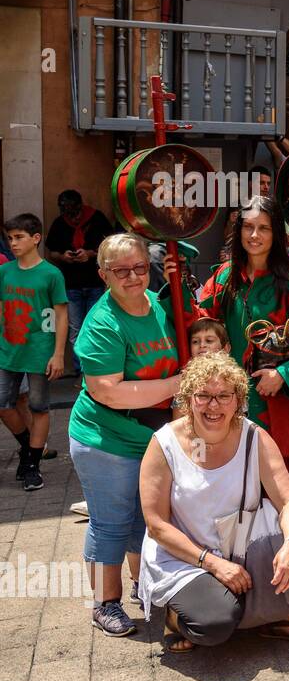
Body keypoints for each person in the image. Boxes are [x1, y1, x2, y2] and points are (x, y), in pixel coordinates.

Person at [138, 353, 289, 652]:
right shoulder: (164, 444)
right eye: (204, 396)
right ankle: (175, 615)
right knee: (215, 623)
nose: (214, 405)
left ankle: (271, 617)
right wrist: (213, 564)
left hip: (238, 542)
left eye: (224, 395)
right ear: (188, 398)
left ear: (238, 400)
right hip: (186, 555)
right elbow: (156, 525)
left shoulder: (254, 437)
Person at [70, 233, 184, 637]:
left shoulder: (156, 304)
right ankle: (105, 603)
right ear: (103, 275)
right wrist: (176, 385)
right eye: (121, 271)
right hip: (106, 439)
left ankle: (142, 586)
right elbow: (108, 391)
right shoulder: (103, 322)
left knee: (143, 518)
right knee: (111, 523)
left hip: (148, 437)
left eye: (140, 267)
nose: (133, 277)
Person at [198, 196, 289, 502]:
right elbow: (199, 325)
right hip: (229, 401)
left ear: (277, 234)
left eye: (263, 228)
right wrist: (175, 288)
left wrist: (285, 374)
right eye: (247, 227)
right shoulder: (223, 277)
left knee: (286, 501)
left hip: (282, 406)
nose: (254, 235)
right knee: (230, 500)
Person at [0, 213, 68, 490]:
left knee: (39, 407)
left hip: (40, 351)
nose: (13, 243)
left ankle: (32, 467)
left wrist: (59, 354)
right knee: (3, 405)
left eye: (19, 238)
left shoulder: (51, 274)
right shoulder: (4, 272)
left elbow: (62, 315)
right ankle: (30, 449)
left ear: (36, 239)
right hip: (7, 350)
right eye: (10, 238)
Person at [43, 189, 112, 376]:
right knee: (75, 330)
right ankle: (80, 371)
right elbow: (51, 252)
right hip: (71, 284)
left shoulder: (97, 218)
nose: (72, 218)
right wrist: (63, 256)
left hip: (94, 282)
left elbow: (111, 246)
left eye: (75, 213)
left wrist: (90, 254)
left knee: (96, 326)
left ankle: (95, 369)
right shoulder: (59, 223)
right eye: (67, 213)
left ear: (81, 207)